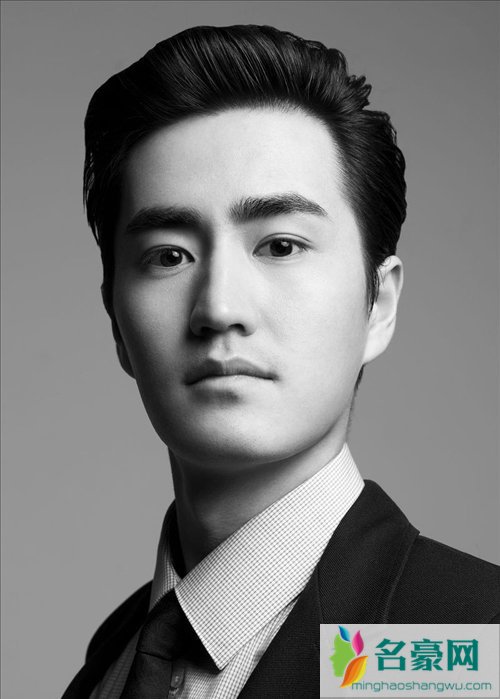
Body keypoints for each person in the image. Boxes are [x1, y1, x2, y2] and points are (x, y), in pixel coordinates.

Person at [62, 24, 500, 699]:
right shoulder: (112, 657)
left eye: (281, 245)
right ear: (116, 320)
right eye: (169, 255)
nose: (219, 307)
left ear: (378, 303)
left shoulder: (472, 645)